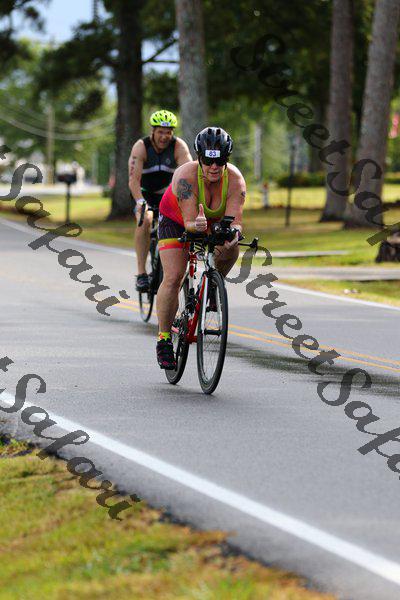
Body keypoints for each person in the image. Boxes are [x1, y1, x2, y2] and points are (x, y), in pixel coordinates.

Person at [155, 126, 246, 369]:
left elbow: (236, 221)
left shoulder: (235, 180)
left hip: (209, 222)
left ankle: (213, 286)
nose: (214, 167)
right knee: (174, 276)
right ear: (199, 158)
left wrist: (234, 233)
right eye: (208, 161)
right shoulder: (186, 177)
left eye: (220, 161)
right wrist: (197, 226)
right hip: (176, 220)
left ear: (227, 159)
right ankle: (164, 339)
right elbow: (189, 223)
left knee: (232, 247)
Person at [128, 110, 192, 291]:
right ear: (153, 131)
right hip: (144, 194)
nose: (164, 136)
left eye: (168, 132)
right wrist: (140, 202)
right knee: (145, 219)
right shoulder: (141, 147)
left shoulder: (179, 147)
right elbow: (133, 181)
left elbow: (188, 176)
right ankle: (141, 273)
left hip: (167, 195)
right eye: (160, 132)